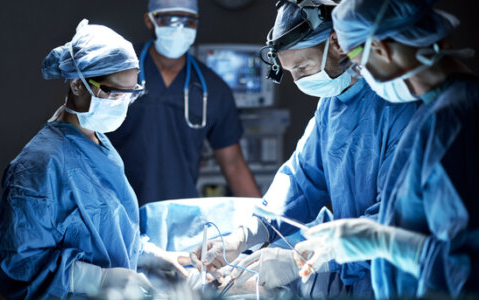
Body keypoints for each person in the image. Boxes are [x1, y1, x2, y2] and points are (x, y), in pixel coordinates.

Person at [191, 1, 417, 297]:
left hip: (399, 280)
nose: (298, 80)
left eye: (303, 67)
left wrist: (302, 257)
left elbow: (393, 221)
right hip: (353, 277)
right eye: (290, 71)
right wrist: (246, 235)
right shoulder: (331, 107)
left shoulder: (400, 108)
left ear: (336, 43)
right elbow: (300, 180)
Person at [294, 0, 479, 298]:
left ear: (380, 49)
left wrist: (383, 242)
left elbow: (467, 266)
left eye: (356, 63)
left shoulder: (453, 121)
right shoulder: (436, 114)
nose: (359, 72)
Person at [0, 19, 156, 299]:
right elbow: (19, 265)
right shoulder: (38, 166)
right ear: (78, 85)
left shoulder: (99, 144)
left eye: (131, 95)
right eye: (114, 93)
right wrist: (98, 279)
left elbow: (111, 231)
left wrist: (153, 256)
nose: (122, 104)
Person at [106, 0, 260, 206]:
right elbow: (83, 137)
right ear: (149, 21)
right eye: (169, 19)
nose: (179, 28)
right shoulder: (117, 71)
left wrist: (267, 223)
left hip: (177, 212)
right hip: (115, 206)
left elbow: (233, 164)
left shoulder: (212, 89)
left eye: (188, 21)